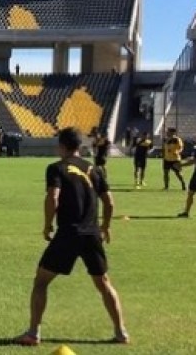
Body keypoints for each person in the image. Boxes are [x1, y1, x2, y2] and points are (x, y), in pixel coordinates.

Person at [16, 128, 129, 346]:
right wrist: (105, 226)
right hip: (92, 234)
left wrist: (48, 224)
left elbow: (52, 197)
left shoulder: (56, 168)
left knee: (40, 282)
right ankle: (121, 332)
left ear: (62, 146)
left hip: (68, 233)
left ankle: (33, 333)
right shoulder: (95, 170)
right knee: (104, 283)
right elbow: (110, 202)